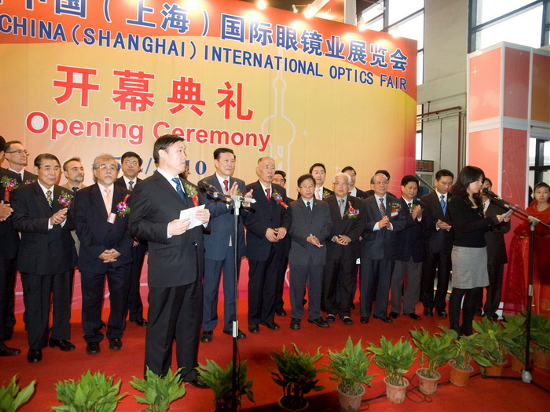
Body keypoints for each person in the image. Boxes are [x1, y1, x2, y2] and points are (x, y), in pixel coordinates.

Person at [128, 134, 210, 387]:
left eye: (185, 151)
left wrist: (204, 220)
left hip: (193, 266)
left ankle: (188, 372)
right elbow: (135, 225)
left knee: (189, 325)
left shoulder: (188, 186)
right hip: (168, 268)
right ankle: (157, 380)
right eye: (180, 151)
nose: (185, 156)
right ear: (162, 154)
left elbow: (193, 220)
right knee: (162, 328)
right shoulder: (147, 186)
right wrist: (166, 229)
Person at [11, 153, 77, 363]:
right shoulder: (22, 193)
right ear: (37, 170)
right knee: (36, 304)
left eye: (56, 168)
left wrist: (64, 221)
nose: (52, 172)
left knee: (62, 301)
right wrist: (49, 221)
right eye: (47, 168)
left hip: (63, 255)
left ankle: (60, 337)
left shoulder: (66, 193)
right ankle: (36, 344)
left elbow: (74, 222)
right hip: (36, 258)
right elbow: (19, 222)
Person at [75, 154, 133, 355]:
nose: (108, 170)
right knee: (92, 298)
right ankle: (92, 336)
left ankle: (115, 333)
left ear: (117, 172)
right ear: (95, 171)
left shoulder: (128, 195)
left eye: (112, 167)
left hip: (120, 256)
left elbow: (133, 225)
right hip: (92, 256)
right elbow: (80, 225)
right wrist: (98, 251)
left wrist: (120, 249)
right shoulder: (83, 195)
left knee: (120, 297)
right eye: (103, 166)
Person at [447, 166, 509, 336]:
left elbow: (480, 228)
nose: (481, 184)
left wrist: (498, 221)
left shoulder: (477, 200)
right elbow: (464, 227)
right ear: (468, 180)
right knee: (460, 289)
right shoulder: (456, 202)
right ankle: (454, 327)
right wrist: (490, 220)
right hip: (464, 251)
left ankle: (467, 326)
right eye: (479, 180)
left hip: (480, 250)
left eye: (482, 180)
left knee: (475, 291)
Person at [198, 148, 248, 343]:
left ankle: (231, 325)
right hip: (214, 243)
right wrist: (228, 201)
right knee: (209, 288)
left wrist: (246, 204)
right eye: (226, 160)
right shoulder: (205, 184)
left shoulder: (240, 183)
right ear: (216, 162)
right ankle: (207, 326)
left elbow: (242, 214)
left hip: (234, 243)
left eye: (232, 160)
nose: (230, 164)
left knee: (231, 290)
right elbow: (207, 210)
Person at [243, 157, 291, 334]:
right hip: (259, 244)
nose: (270, 171)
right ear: (258, 170)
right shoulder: (249, 190)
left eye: (272, 167)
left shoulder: (280, 191)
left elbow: (287, 213)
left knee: (272, 283)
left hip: (277, 245)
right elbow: (246, 217)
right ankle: (253, 320)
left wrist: (284, 227)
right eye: (266, 167)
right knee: (256, 284)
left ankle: (268, 318)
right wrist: (264, 231)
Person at [359, 172, 406, 324]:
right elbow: (360, 224)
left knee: (385, 283)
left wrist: (390, 225)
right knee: (367, 283)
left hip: (388, 249)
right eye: (378, 182)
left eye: (385, 182)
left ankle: (380, 312)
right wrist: (376, 225)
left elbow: (402, 221)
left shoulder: (395, 202)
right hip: (369, 249)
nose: (382, 185)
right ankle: (365, 313)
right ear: (372, 185)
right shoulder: (364, 203)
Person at [288, 174, 332, 330]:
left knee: (316, 287)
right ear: (298, 189)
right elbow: (290, 228)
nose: (308, 189)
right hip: (299, 252)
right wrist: (306, 238)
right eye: (305, 186)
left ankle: (315, 315)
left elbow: (328, 225)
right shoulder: (292, 206)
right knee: (297, 288)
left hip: (318, 252)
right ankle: (296, 316)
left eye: (311, 186)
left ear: (315, 188)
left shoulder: (323, 205)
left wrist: (318, 238)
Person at [503, 182, 550, 318]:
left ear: (549, 194)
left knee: (544, 285)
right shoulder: (529, 210)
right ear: (534, 194)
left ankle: (544, 317)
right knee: (529, 282)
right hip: (529, 253)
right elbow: (521, 230)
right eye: (538, 192)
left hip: (546, 253)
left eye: (545, 192)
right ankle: (531, 316)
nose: (542, 195)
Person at [323, 173, 365, 325]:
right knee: (329, 281)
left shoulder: (358, 203)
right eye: (338, 183)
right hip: (331, 248)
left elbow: (361, 224)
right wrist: (333, 237)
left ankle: (345, 311)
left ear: (349, 186)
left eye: (344, 184)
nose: (341, 187)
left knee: (348, 281)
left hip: (349, 249)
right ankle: (330, 310)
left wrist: (349, 237)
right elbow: (323, 224)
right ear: (333, 186)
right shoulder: (325, 203)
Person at [389, 175, 432, 320]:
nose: (412, 191)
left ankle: (410, 309)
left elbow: (428, 225)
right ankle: (395, 308)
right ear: (402, 188)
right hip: (399, 248)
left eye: (415, 188)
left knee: (414, 281)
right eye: (410, 188)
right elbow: (395, 223)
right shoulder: (395, 204)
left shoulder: (422, 205)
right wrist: (412, 218)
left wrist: (419, 217)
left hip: (417, 249)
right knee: (396, 280)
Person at [115, 151, 148, 327]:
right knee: (120, 280)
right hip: (119, 241)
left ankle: (136, 313)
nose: (130, 165)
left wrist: (138, 236)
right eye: (127, 162)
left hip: (139, 241)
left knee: (134, 278)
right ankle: (118, 316)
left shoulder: (146, 186)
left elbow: (149, 213)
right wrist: (128, 236)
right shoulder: (113, 185)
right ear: (121, 165)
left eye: (134, 163)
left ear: (140, 167)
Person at [420, 169, 454, 318]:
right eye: (444, 183)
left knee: (444, 276)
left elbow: (459, 219)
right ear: (436, 182)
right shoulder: (426, 199)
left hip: (448, 243)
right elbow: (423, 221)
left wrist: (451, 225)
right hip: (431, 243)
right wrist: (436, 224)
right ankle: (427, 305)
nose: (447, 186)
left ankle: (440, 305)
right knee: (427, 275)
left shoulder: (455, 199)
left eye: (449, 183)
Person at [477, 178, 510, 321]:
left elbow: (505, 228)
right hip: (475, 249)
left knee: (494, 283)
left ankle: (490, 311)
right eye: (481, 187)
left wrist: (490, 224)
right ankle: (475, 308)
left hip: (494, 249)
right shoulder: (471, 204)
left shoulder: (500, 204)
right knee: (476, 282)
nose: (484, 190)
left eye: (487, 187)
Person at [0, 135, 21, 356]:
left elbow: (21, 209)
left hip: (5, 244)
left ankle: (3, 335)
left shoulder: (9, 178)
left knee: (3, 291)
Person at [271, 170, 292, 317]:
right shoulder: (264, 199)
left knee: (278, 277)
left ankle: (278, 304)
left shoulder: (290, 202)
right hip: (267, 243)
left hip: (283, 245)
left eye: (281, 180)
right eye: (276, 180)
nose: (279, 183)